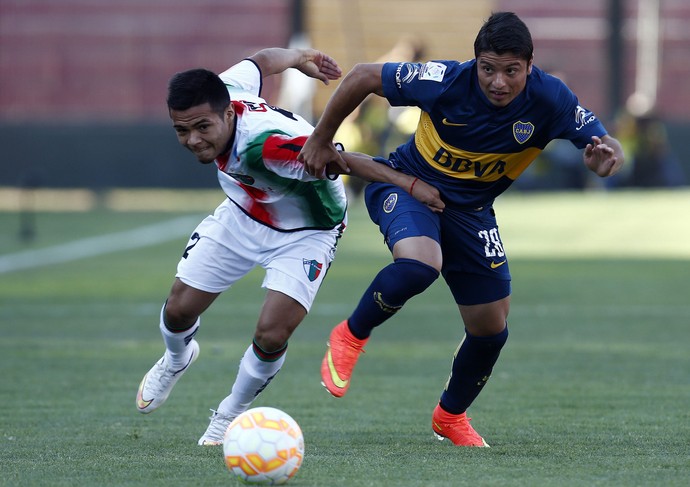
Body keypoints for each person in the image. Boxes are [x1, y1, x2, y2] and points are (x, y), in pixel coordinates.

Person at [298, 12, 625, 447]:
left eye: (511, 71)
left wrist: (607, 157)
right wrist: (321, 138)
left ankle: (450, 416)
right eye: (488, 68)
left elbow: (603, 143)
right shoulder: (445, 80)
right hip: (408, 184)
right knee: (420, 264)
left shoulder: (552, 99)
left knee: (491, 327)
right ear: (475, 64)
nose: (498, 82)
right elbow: (361, 77)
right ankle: (351, 334)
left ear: (530, 64)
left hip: (471, 211)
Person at [134, 47, 444, 446]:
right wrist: (301, 58)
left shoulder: (269, 147)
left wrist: (411, 186)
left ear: (228, 115)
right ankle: (177, 359)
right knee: (177, 311)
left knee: (272, 333)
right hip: (246, 212)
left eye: (201, 128)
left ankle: (229, 414)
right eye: (182, 130)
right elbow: (263, 61)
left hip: (309, 230)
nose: (193, 140)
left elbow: (346, 161)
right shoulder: (223, 89)